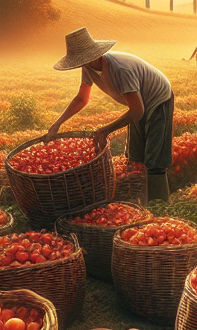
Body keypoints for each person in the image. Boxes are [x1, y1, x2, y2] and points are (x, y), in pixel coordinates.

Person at [44, 28, 174, 202]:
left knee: (154, 158)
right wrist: (57, 123)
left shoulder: (120, 69)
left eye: (83, 59)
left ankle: (160, 205)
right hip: (138, 103)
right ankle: (141, 198)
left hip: (158, 99)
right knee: (135, 155)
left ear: (94, 55)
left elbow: (137, 111)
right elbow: (82, 98)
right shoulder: (88, 67)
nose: (82, 64)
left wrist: (105, 130)